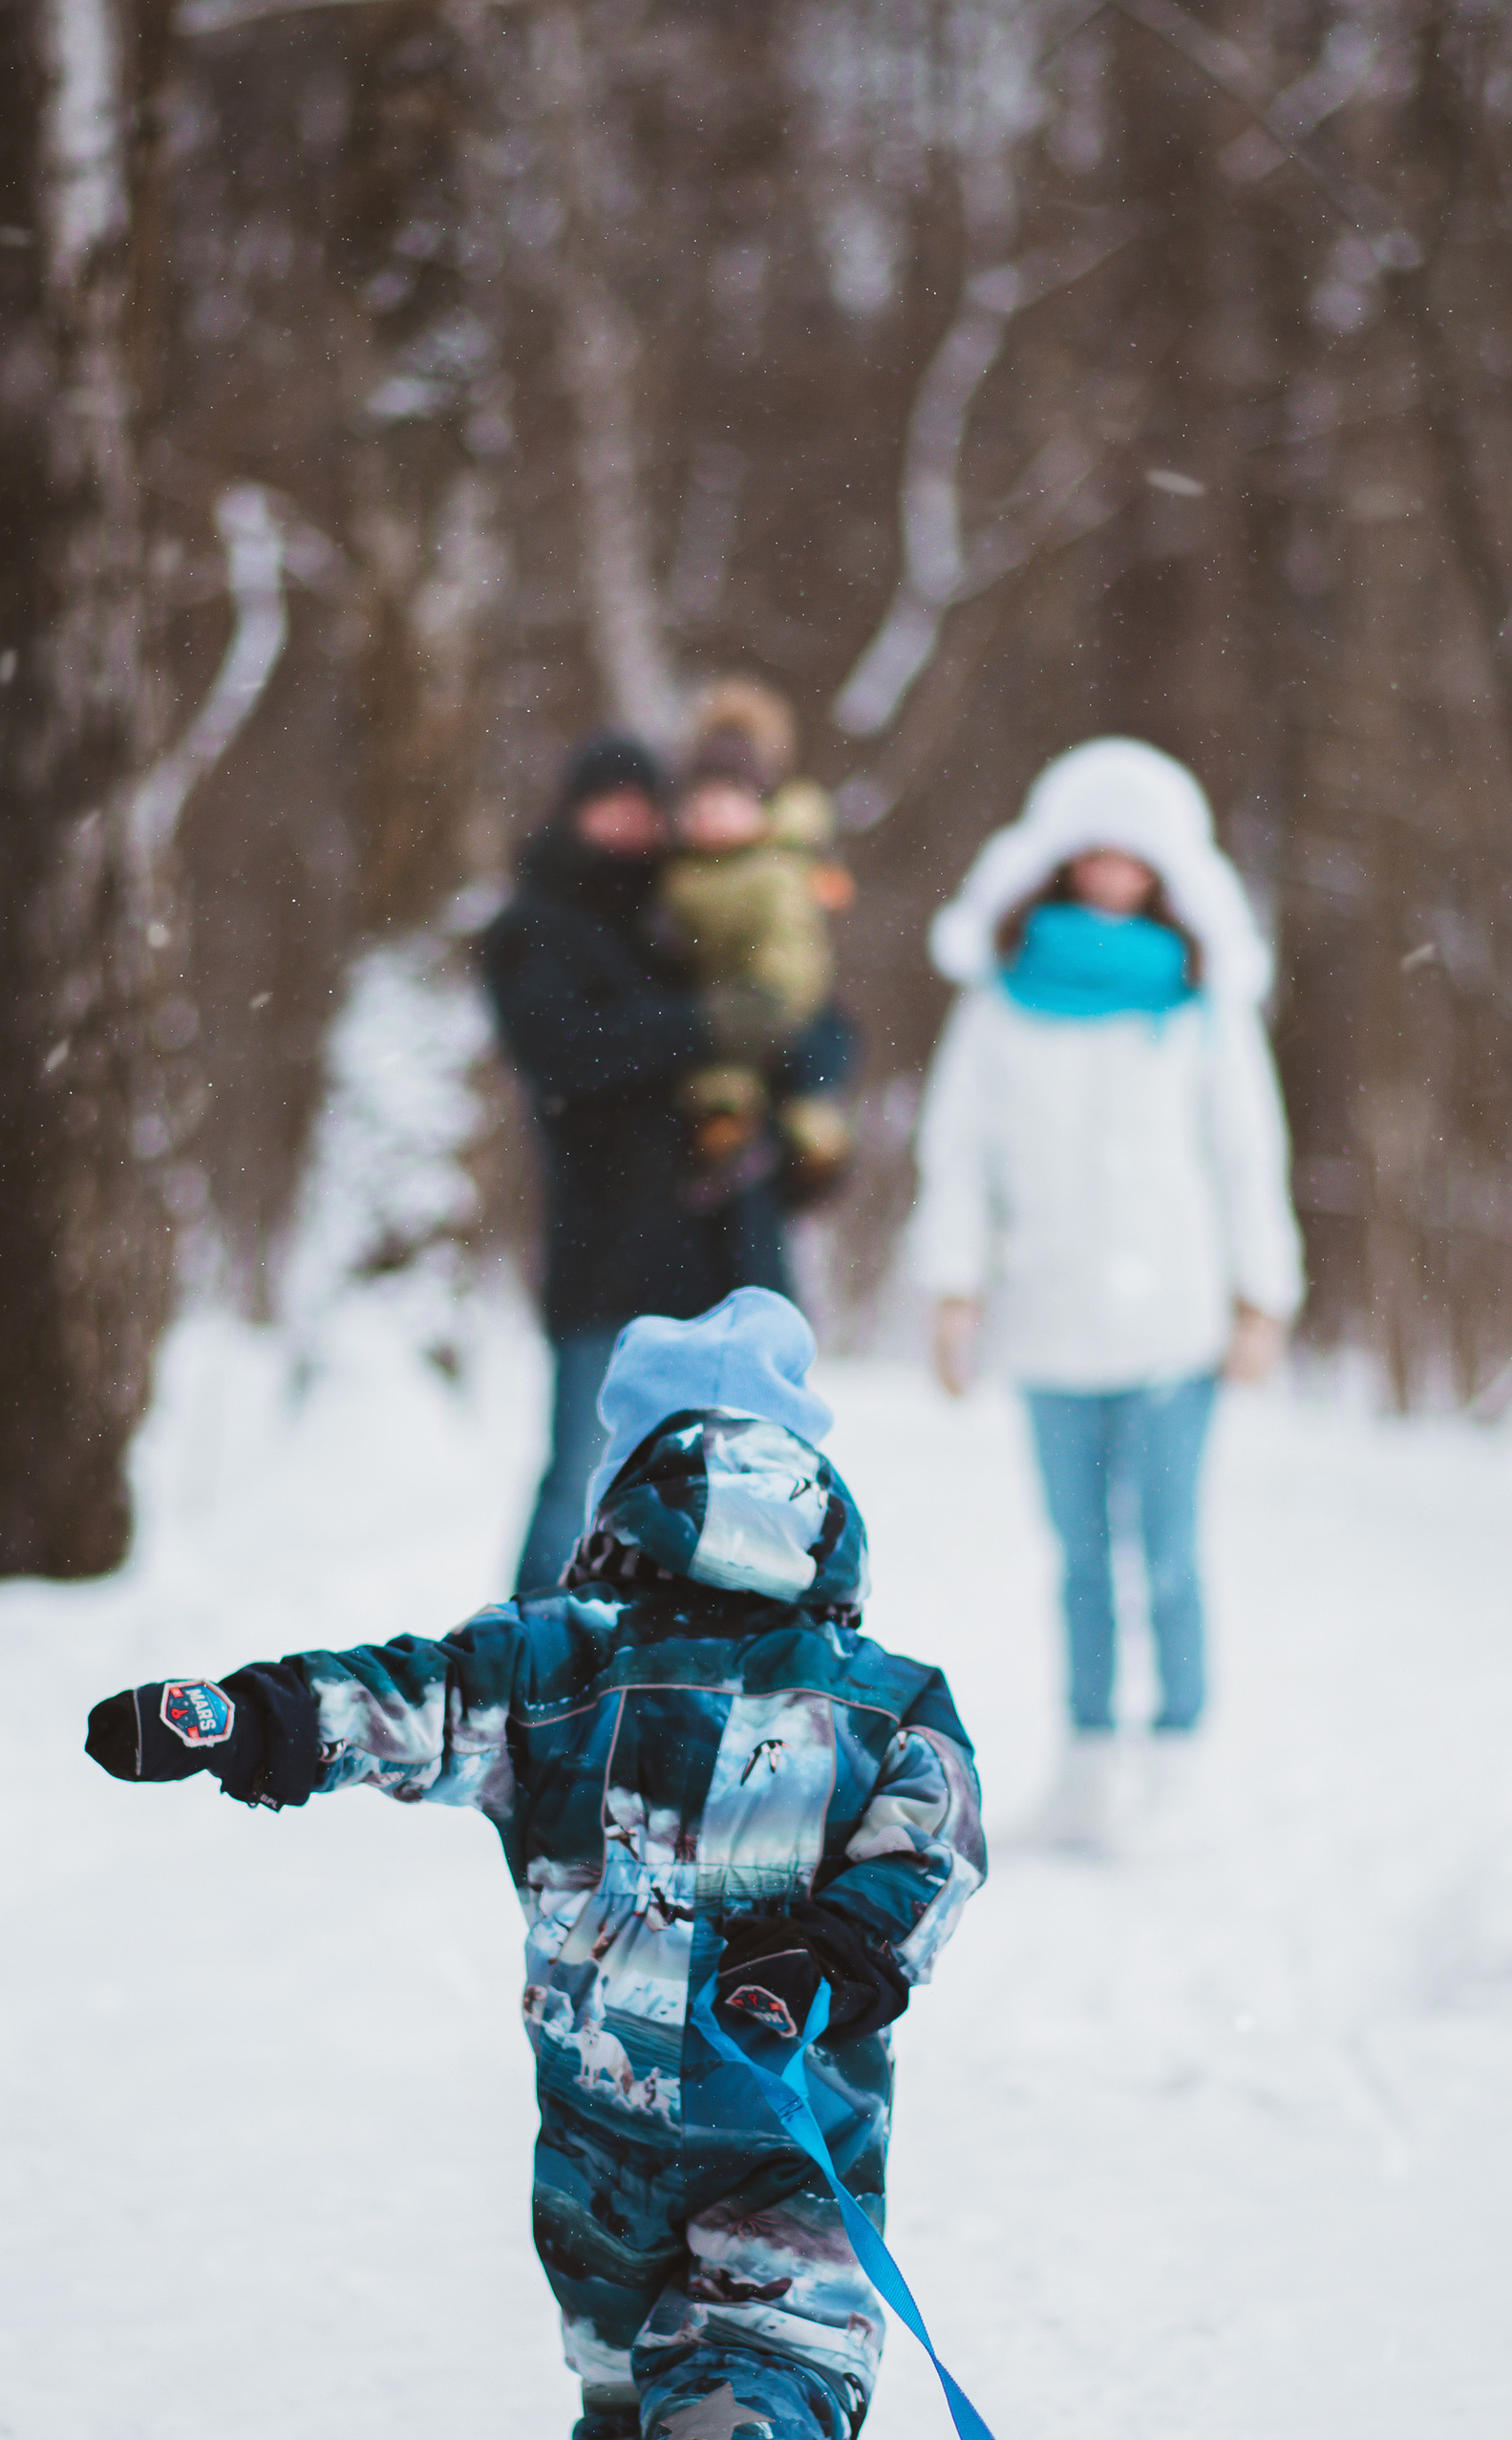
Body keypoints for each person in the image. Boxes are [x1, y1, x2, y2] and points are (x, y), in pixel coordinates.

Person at [82, 1289, 985, 2440]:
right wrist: (828, 1959)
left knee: (624, 2366)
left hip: (599, 2138)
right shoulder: (886, 1695)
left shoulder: (554, 1659)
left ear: (624, 1484)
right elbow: (930, 1850)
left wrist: (235, 1715)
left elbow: (401, 1703)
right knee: (778, 2349)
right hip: (788, 2127)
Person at [906, 738, 1304, 1852]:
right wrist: (952, 1289)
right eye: (1094, 853)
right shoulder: (998, 1002)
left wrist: (1261, 1295)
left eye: (1135, 858)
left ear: (1166, 872)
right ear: (1059, 859)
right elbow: (959, 1158)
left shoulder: (1197, 1003)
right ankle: (1086, 1758)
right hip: (1048, 1317)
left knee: (1167, 1551)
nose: (1112, 875)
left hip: (1174, 1320)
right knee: (1077, 1557)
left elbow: (1245, 1153)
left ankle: (1176, 1758)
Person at [482, 730, 856, 1597]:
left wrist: (795, 1059)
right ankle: (534, 1652)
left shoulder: (699, 904)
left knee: (747, 1481)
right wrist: (707, 1028)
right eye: (606, 805)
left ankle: (723, 1660)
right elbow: (561, 1051)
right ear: (572, 813)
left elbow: (821, 1028)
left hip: (728, 1246)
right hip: (605, 1245)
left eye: (642, 807)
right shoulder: (539, 925)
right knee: (585, 1472)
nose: (626, 825)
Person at [652, 677, 856, 1202]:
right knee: (722, 1078)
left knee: (793, 1086)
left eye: (726, 804)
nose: (711, 817)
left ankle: (809, 1143)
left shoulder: (778, 868)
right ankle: (730, 1131)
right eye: (700, 807)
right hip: (715, 1009)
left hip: (768, 997)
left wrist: (770, 993)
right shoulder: (679, 870)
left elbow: (792, 946)